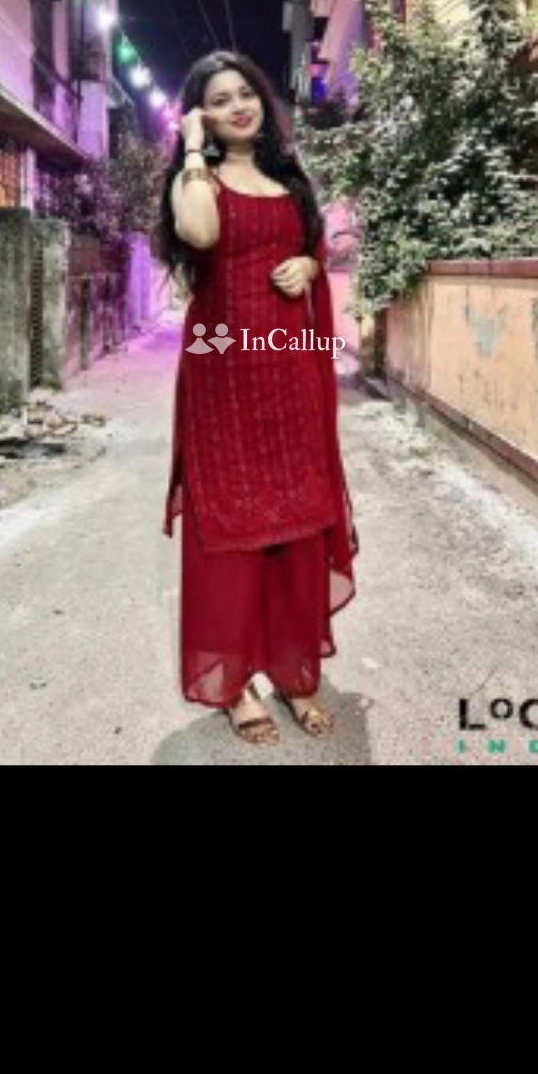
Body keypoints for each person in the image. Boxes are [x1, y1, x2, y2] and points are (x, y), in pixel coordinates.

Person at [159, 51, 359, 747]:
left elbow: (314, 250)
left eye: (245, 93)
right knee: (229, 521)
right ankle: (234, 680)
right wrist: (191, 148)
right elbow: (200, 233)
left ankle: (293, 669)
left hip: (290, 370)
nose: (238, 107)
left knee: (298, 517)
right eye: (218, 100)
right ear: (201, 115)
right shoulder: (197, 181)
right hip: (223, 376)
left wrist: (308, 263)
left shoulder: (290, 180)